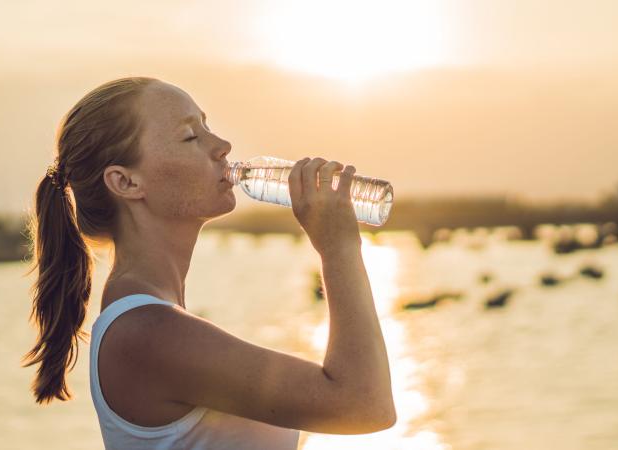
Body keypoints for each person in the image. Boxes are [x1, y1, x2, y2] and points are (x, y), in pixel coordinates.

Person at [23, 77, 396, 449]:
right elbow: (364, 404)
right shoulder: (146, 333)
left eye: (207, 127)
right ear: (126, 182)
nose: (222, 146)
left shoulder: (153, 321)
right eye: (190, 137)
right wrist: (338, 247)